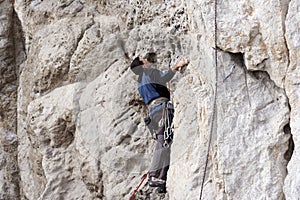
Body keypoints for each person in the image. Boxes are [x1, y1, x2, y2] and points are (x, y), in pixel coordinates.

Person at [130, 54, 189, 193]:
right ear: (142, 65)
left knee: (166, 142)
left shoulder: (140, 81)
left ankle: (161, 178)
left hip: (153, 112)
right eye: (144, 60)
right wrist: (178, 65)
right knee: (162, 141)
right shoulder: (149, 72)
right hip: (162, 108)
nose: (146, 60)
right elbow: (164, 78)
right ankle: (154, 174)